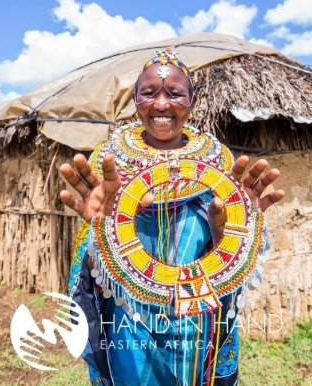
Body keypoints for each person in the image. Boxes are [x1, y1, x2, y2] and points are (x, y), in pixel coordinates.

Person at [58, 49, 284, 385]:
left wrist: (236, 227)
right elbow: (91, 257)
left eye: (174, 93)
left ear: (192, 101)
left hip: (198, 311)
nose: (161, 104)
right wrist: (102, 228)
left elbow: (227, 245)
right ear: (134, 100)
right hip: (129, 315)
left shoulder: (217, 160)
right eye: (148, 92)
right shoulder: (109, 160)